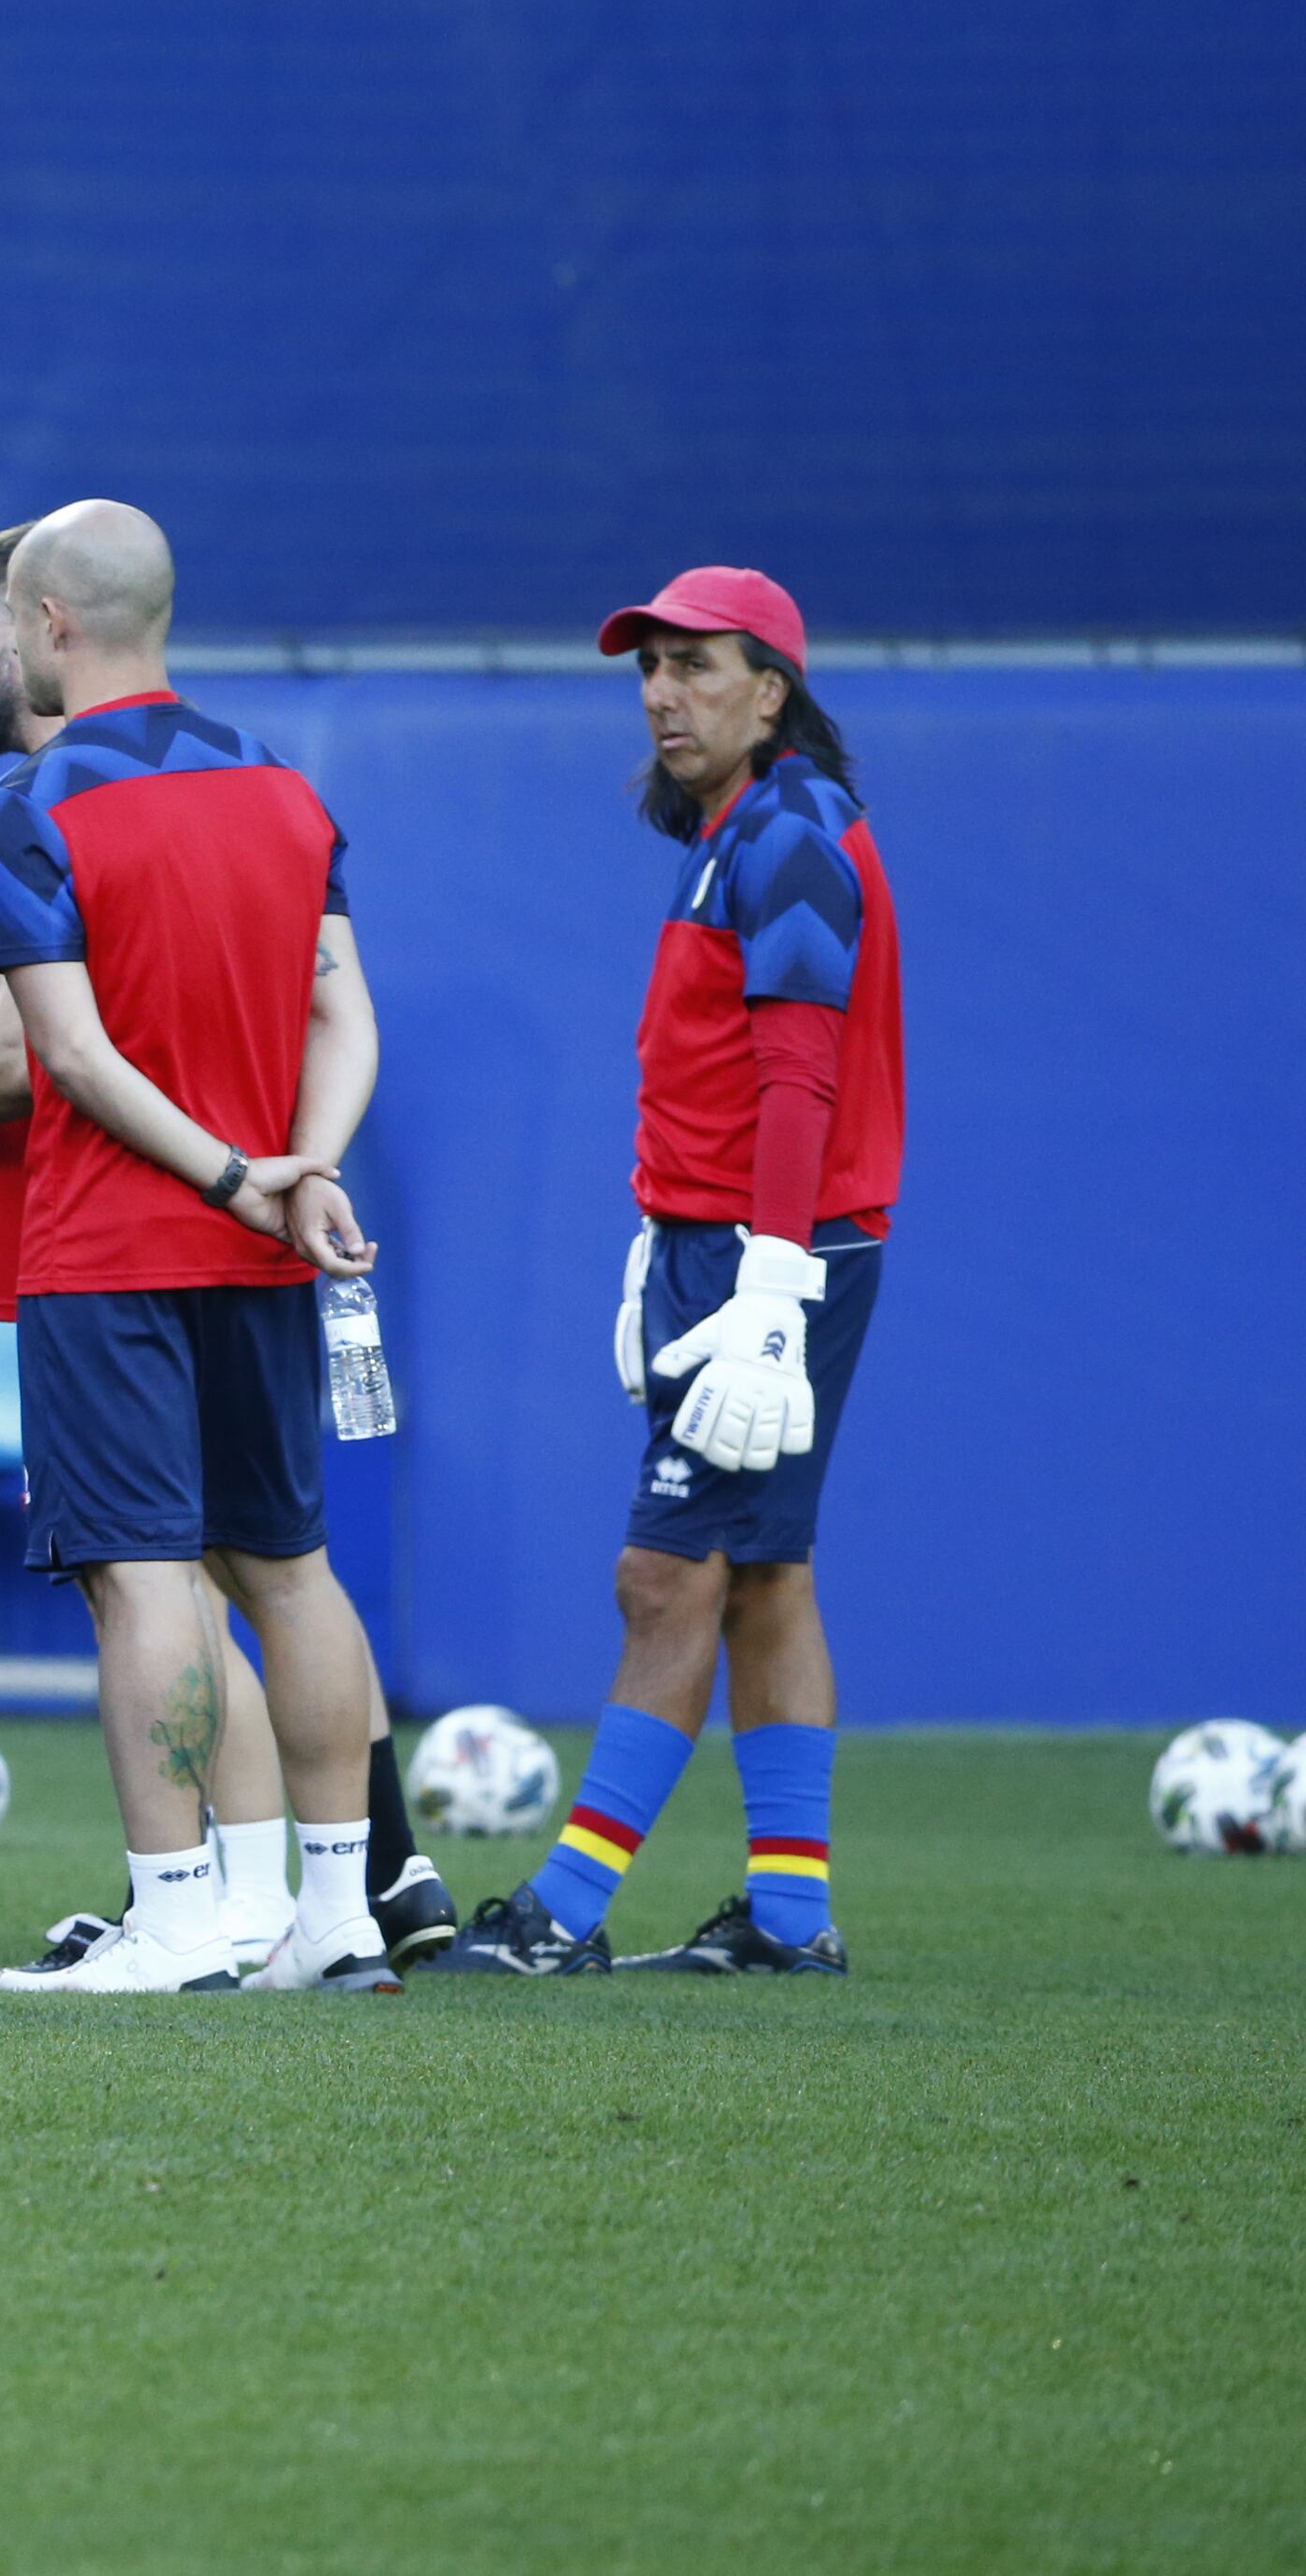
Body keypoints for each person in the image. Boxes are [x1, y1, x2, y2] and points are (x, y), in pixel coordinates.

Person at [0, 528, 443, 1977]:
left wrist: (237, 1172)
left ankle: (176, 1908)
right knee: (292, 1568)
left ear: (52, 623)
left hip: (113, 1246)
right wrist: (300, 1166)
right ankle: (331, 1912)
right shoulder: (283, 786)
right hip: (262, 1247)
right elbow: (347, 1016)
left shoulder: (42, 808)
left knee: (145, 1580)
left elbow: (66, 1052)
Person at [443, 568, 895, 1980]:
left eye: (697, 666)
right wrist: (678, 1239)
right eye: (650, 668)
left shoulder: (794, 829)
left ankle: (563, 1913)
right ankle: (786, 1911)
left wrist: (763, 1284)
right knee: (764, 1572)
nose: (661, 693)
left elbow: (800, 1075)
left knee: (664, 1572)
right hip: (746, 1244)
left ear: (774, 693)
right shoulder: (748, 829)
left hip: (777, 1257)